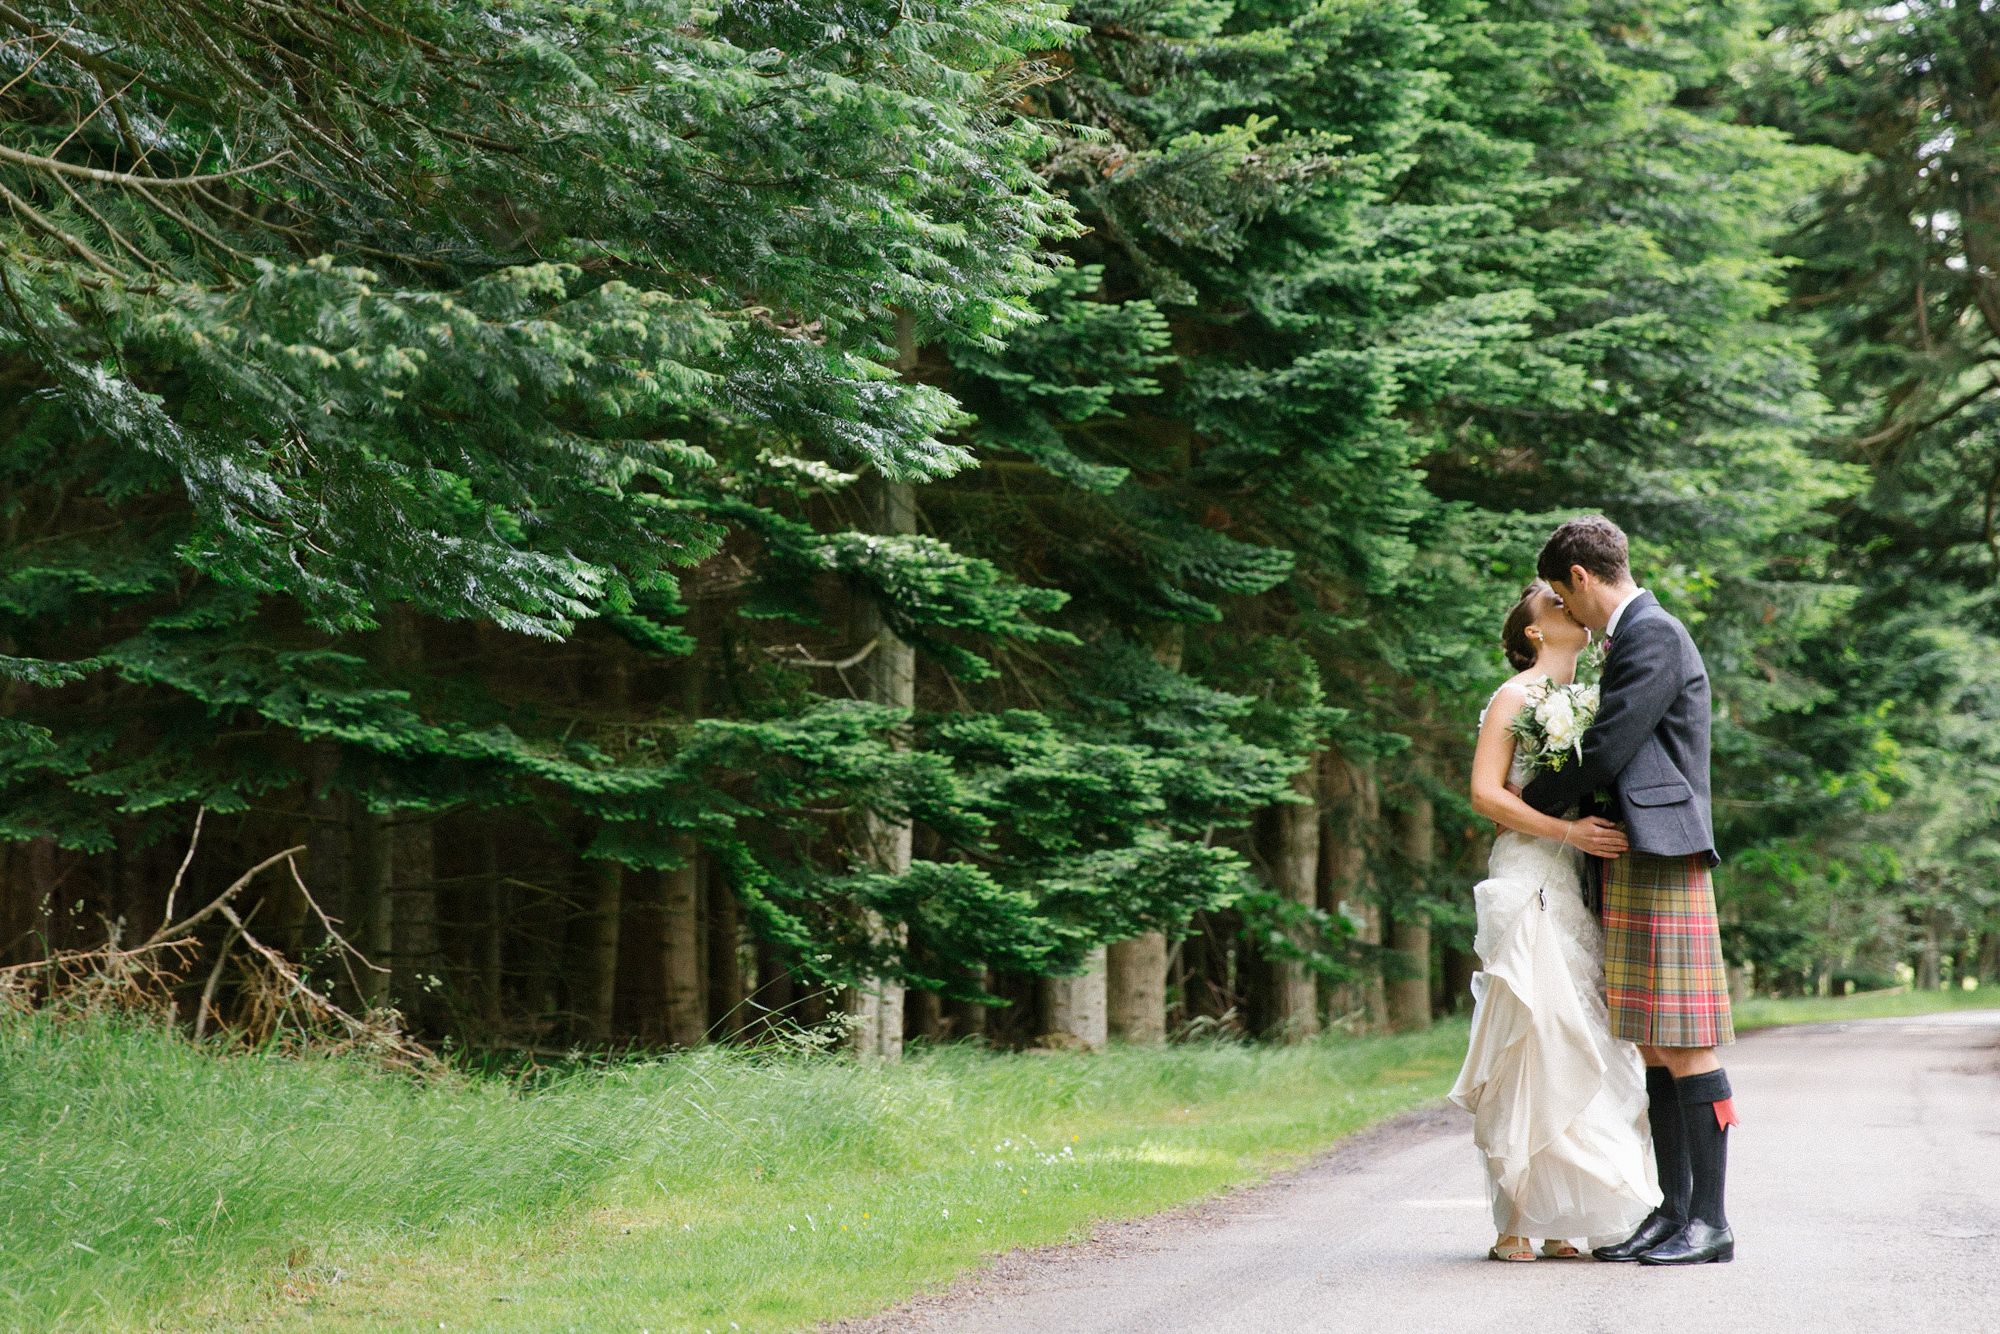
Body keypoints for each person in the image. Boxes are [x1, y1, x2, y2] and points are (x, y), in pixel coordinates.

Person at [1517, 515, 1739, 1266]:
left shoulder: (1653, 633)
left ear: (1579, 578)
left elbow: (1610, 742)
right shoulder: (1631, 637)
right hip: (1633, 855)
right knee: (1652, 1042)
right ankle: (1670, 1212)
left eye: (1559, 593)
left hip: (1665, 856)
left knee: (1687, 1042)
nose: (1562, 609)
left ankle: (1710, 1222)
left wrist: (1534, 800)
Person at [1448, 577, 1661, 1262]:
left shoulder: (1593, 702)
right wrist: (1567, 834)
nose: (1571, 610)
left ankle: (1565, 1217)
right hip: (1527, 869)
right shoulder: (1515, 697)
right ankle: (1515, 1218)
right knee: (1531, 1028)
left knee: (1578, 1037)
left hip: (1574, 882)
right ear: (1535, 632)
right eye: (1554, 607)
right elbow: (1485, 795)